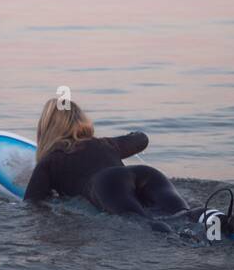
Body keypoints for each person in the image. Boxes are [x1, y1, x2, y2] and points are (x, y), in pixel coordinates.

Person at [23, 97, 198, 232]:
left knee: (144, 223)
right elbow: (142, 139)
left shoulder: (51, 161)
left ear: (45, 130)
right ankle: (218, 221)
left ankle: (177, 243)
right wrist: (134, 133)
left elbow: (32, 203)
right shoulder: (107, 143)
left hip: (106, 184)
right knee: (186, 215)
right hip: (145, 173)